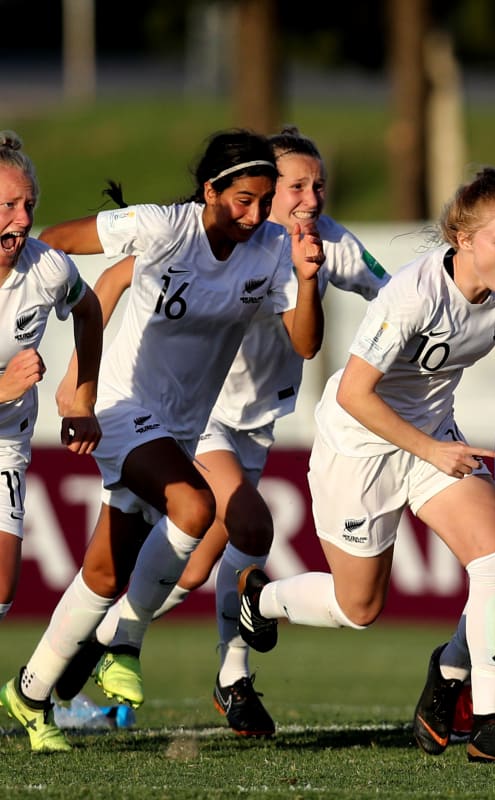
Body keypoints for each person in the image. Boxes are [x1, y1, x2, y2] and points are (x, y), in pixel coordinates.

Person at [235, 167, 495, 763]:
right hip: (360, 446)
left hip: (432, 439)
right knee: (360, 609)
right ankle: (262, 598)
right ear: (464, 241)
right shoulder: (413, 295)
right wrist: (430, 449)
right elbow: (353, 393)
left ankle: (488, 721)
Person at [52, 127, 390, 738]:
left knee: (191, 569)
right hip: (196, 415)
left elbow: (392, 298)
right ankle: (228, 676)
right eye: (296, 186)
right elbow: (111, 280)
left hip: (255, 424)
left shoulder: (325, 242)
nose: (309, 198)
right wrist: (79, 381)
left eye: (319, 185)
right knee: (251, 523)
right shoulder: (210, 234)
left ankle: (90, 653)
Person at [0, 128, 325, 753]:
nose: (255, 215)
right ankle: (124, 642)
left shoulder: (272, 250)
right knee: (197, 508)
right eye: (242, 201)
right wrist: (79, 388)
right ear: (210, 191)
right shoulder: (161, 228)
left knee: (103, 571)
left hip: (182, 425)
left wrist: (308, 280)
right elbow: (59, 245)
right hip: (123, 405)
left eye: (264, 201)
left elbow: (305, 343)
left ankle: (30, 691)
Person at [0, 131, 103, 627]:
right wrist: (3, 389)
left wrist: (81, 398)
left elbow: (90, 311)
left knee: (2, 583)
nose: (22, 219)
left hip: (5, 443)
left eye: (28, 205)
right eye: (8, 205)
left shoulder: (48, 268)